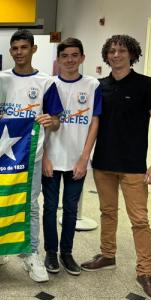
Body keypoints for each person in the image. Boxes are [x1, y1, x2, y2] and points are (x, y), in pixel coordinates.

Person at [81, 34, 151, 300]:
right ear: (106, 56)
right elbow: (94, 123)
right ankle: (107, 255)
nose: (116, 55)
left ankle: (145, 272)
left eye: (122, 50)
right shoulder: (100, 86)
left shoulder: (146, 85)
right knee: (107, 212)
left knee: (139, 220)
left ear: (132, 54)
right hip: (104, 162)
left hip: (134, 166)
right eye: (112, 51)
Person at [0, 29, 63, 283]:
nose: (19, 53)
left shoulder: (47, 82)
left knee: (29, 205)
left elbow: (57, 122)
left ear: (33, 49)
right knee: (0, 202)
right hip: (0, 154)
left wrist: (51, 121)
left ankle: (31, 253)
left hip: (30, 155)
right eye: (14, 48)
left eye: (24, 48)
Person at [41, 37, 101, 276]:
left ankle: (67, 253)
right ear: (58, 59)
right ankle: (50, 253)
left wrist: (84, 158)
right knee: (49, 208)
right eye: (64, 56)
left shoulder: (92, 85)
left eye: (74, 55)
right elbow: (44, 123)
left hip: (77, 159)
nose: (69, 60)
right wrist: (45, 156)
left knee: (71, 209)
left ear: (82, 58)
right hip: (52, 158)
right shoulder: (49, 84)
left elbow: (95, 122)